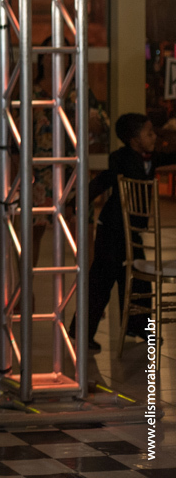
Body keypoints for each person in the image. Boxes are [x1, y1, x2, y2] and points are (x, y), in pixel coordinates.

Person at [77, 113, 176, 352]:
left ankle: (137, 325)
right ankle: (82, 332)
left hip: (131, 231)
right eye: (149, 133)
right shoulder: (120, 159)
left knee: (136, 278)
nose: (154, 137)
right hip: (111, 228)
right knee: (102, 280)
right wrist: (77, 203)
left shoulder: (150, 158)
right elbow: (102, 181)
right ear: (133, 139)